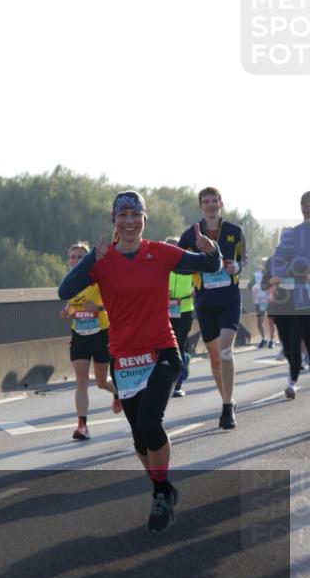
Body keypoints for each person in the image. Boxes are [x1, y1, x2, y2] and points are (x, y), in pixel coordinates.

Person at [60, 191, 221, 532]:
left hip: (162, 351)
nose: (130, 221)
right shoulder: (101, 261)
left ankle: (162, 493)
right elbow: (65, 291)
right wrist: (91, 257)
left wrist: (212, 251)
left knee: (150, 423)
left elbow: (210, 266)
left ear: (145, 219)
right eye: (123, 215)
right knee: (138, 438)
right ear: (114, 221)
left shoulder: (159, 253)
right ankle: (162, 488)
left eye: (136, 214)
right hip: (123, 359)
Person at [177, 187, 245, 430]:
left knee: (226, 350)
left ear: (221, 203)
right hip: (205, 302)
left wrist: (236, 268)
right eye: (206, 201)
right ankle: (227, 399)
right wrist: (196, 267)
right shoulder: (192, 233)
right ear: (200, 206)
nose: (210, 205)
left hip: (229, 298)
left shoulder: (235, 231)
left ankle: (227, 407)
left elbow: (243, 260)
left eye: (214, 200)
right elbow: (178, 262)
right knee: (215, 355)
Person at [58, 242, 120, 441]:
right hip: (79, 335)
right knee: (82, 380)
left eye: (80, 256)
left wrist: (99, 308)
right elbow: (72, 305)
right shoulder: (70, 282)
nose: (75, 260)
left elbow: (116, 304)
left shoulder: (98, 278)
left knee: (101, 381)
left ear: (87, 260)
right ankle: (82, 425)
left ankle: (117, 393)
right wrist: (67, 312)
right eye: (72, 256)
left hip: (100, 333)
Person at [265, 191, 310, 400]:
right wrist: (291, 271)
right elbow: (277, 260)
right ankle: (293, 374)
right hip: (292, 296)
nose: (307, 207)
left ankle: (292, 381)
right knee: (289, 341)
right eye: (304, 203)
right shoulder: (292, 234)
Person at [164, 237, 196, 398]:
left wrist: (194, 292)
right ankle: (168, 378)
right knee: (166, 346)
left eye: (175, 247)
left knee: (179, 344)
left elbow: (198, 284)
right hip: (164, 309)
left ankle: (177, 384)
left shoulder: (189, 266)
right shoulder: (161, 266)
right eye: (168, 246)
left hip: (184, 309)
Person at [249, 258, 275, 349]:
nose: (265, 265)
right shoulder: (256, 275)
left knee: (271, 321)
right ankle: (264, 339)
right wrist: (253, 291)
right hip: (260, 301)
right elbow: (250, 286)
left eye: (266, 264)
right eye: (263, 264)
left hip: (271, 300)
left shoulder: (273, 274)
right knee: (260, 320)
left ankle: (272, 340)